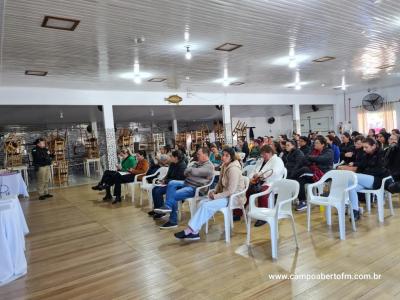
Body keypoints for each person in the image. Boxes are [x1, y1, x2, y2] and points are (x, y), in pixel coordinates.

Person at [174, 147, 245, 240]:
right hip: (225, 195)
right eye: (223, 155)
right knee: (202, 203)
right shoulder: (224, 166)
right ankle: (194, 231)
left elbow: (231, 190)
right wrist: (214, 191)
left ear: (231, 157)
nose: (223, 157)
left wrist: (216, 196)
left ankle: (190, 230)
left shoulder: (233, 169)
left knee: (206, 206)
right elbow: (220, 184)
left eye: (226, 155)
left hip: (234, 198)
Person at [154, 147, 214, 229]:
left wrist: (192, 172)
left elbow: (194, 172)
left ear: (205, 155)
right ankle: (168, 206)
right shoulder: (196, 163)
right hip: (188, 183)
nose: (197, 156)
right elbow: (185, 172)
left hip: (197, 188)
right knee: (171, 183)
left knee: (173, 195)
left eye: (199, 154)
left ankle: (173, 221)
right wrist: (193, 173)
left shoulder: (209, 166)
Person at [235, 145, 285, 226]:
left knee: (262, 193)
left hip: (272, 182)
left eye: (264, 154)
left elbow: (274, 172)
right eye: (262, 154)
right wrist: (250, 179)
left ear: (270, 153)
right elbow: (254, 170)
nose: (263, 156)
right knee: (245, 190)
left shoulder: (277, 160)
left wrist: (260, 176)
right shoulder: (261, 160)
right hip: (258, 181)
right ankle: (238, 213)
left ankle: (263, 217)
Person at [348, 137, 390, 221]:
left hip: (379, 181)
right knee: (351, 186)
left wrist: (364, 172)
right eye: (363, 147)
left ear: (373, 146)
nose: (364, 149)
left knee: (351, 177)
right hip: (369, 179)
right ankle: (355, 211)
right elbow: (361, 166)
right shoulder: (366, 154)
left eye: (366, 147)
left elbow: (380, 170)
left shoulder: (382, 154)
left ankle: (348, 204)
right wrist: (361, 171)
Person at [295, 136, 333, 211]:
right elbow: (305, 159)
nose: (315, 144)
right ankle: (303, 201)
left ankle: (291, 177)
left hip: (323, 174)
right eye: (314, 142)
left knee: (304, 169)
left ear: (323, 144)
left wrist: (311, 158)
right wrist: (312, 159)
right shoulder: (313, 151)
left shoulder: (329, 151)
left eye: (317, 143)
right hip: (313, 172)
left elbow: (321, 159)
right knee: (300, 180)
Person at [149, 150, 187, 219]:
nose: (170, 157)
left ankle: (161, 213)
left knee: (158, 191)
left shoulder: (182, 165)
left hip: (177, 186)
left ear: (176, 157)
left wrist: (166, 181)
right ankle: (157, 209)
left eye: (171, 156)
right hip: (169, 183)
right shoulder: (172, 164)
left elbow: (179, 179)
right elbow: (168, 175)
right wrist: (163, 180)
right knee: (154, 189)